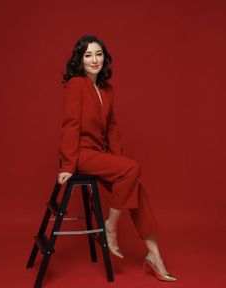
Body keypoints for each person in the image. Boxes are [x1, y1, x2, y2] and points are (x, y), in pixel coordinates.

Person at [57, 35, 177, 282]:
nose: (94, 60)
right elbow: (70, 125)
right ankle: (109, 229)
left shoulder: (107, 90)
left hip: (98, 155)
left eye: (98, 54)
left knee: (135, 184)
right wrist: (68, 165)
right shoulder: (76, 85)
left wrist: (122, 168)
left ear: (105, 58)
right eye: (88, 55)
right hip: (80, 154)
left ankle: (154, 255)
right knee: (132, 170)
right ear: (80, 59)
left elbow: (112, 128)